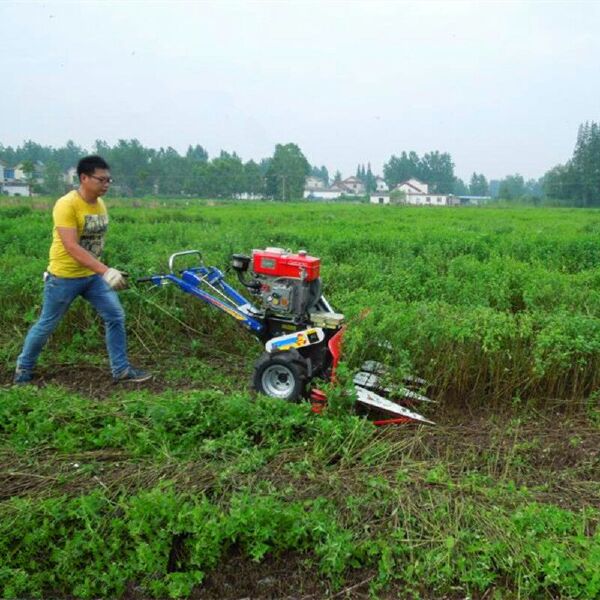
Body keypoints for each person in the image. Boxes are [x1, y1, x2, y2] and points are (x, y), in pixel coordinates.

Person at [14, 155, 152, 385]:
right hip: (64, 277)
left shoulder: (100, 203)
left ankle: (121, 370)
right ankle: (23, 369)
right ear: (84, 178)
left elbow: (93, 242)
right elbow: (71, 246)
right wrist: (106, 270)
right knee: (47, 324)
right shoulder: (66, 204)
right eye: (102, 180)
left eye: (109, 180)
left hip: (92, 277)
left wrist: (102, 271)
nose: (106, 184)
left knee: (115, 315)